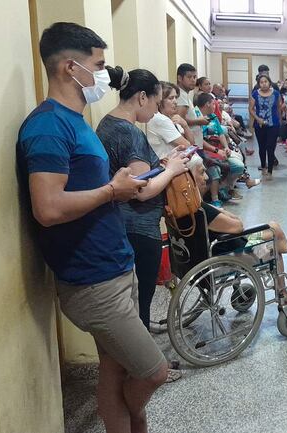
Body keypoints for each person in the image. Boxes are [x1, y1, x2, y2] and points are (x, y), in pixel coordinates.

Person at [16, 22, 166, 432]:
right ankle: (132, 416)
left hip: (114, 264)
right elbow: (47, 208)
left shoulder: (77, 119)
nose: (105, 74)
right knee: (154, 372)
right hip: (91, 280)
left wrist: (112, 188)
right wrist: (111, 191)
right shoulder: (48, 126)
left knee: (114, 371)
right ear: (70, 67)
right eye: (98, 65)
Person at [96, 67, 189, 383]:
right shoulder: (130, 132)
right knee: (142, 299)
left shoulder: (107, 124)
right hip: (138, 227)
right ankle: (149, 371)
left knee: (134, 300)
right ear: (141, 97)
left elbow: (135, 175)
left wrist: (157, 167)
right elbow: (142, 190)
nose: (158, 107)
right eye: (157, 100)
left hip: (118, 224)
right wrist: (173, 169)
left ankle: (142, 365)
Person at [183, 157, 287, 304]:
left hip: (216, 250)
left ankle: (282, 246)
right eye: (201, 172)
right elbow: (238, 226)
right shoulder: (202, 211)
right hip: (229, 254)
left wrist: (222, 213)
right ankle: (285, 297)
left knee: (274, 228)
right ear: (189, 178)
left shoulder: (186, 207)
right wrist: (226, 214)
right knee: (274, 245)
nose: (206, 177)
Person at [195, 92, 248, 204]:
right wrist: (216, 150)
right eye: (213, 104)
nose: (216, 107)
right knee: (215, 169)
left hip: (218, 149)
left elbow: (220, 133)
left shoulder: (213, 117)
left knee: (239, 166)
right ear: (207, 104)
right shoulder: (196, 117)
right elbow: (199, 140)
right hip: (205, 151)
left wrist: (225, 147)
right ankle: (215, 199)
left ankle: (224, 188)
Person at [147, 81, 195, 158]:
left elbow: (192, 144)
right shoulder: (160, 119)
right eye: (171, 98)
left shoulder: (171, 117)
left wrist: (185, 125)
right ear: (160, 100)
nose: (175, 102)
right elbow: (188, 146)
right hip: (165, 165)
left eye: (176, 97)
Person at [249, 74, 283, 179]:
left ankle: (270, 171)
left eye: (266, 81)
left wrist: (280, 120)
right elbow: (251, 109)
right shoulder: (255, 94)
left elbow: (279, 107)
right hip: (259, 125)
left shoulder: (276, 93)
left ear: (269, 82)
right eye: (261, 82)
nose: (264, 84)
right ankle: (263, 166)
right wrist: (258, 118)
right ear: (259, 84)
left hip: (274, 124)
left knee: (271, 147)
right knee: (262, 147)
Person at [175, 63, 209, 151]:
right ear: (179, 78)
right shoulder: (181, 95)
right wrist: (199, 121)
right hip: (190, 143)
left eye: (194, 77)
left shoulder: (184, 94)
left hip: (195, 141)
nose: (193, 80)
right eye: (189, 77)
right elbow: (179, 120)